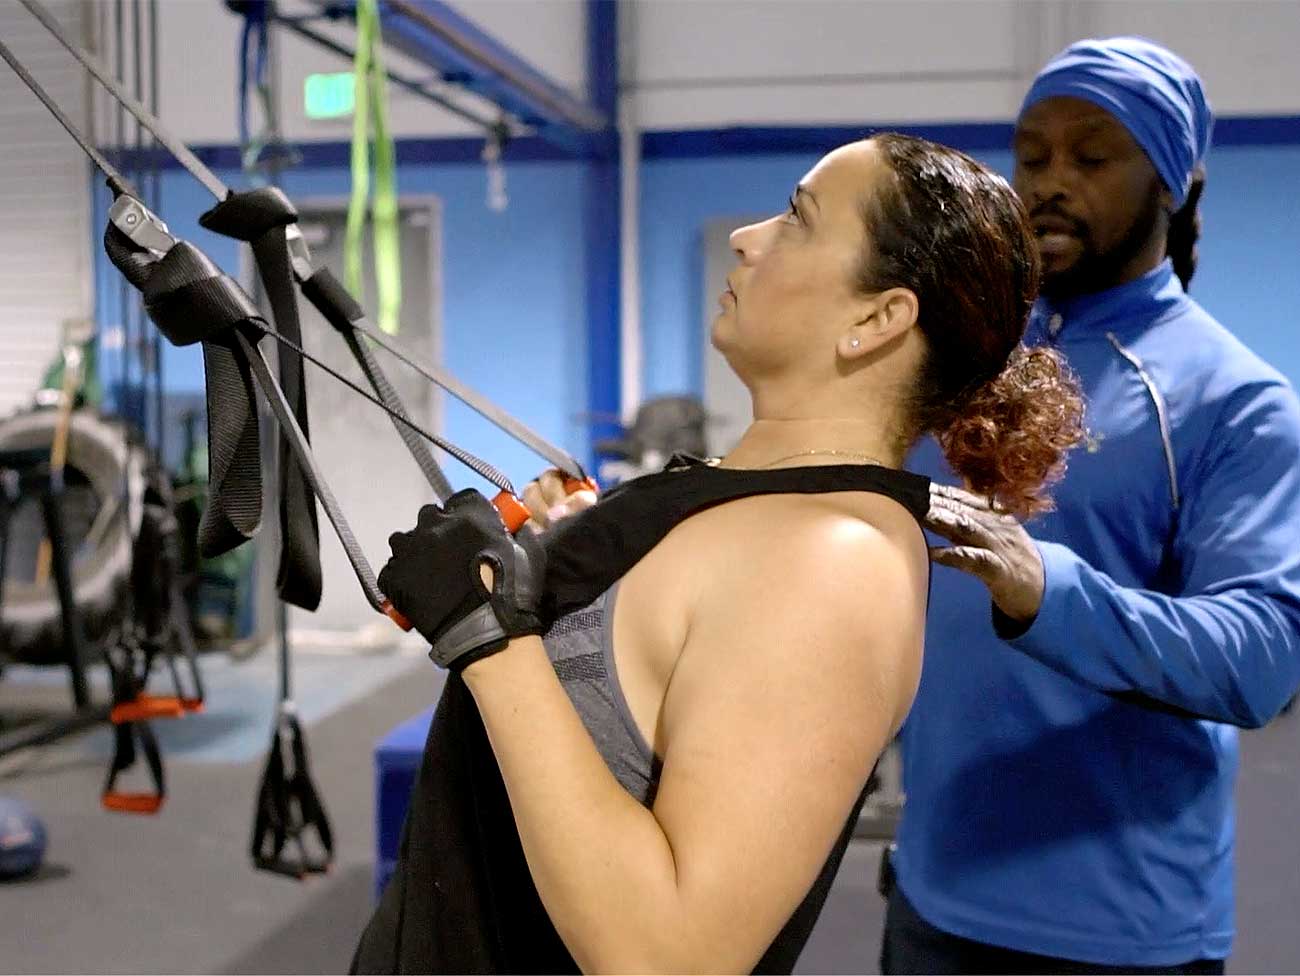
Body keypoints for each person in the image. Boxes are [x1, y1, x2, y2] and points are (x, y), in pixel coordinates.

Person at [350, 133, 1083, 974]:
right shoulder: (746, 500)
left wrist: (490, 641)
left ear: (876, 320)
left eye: (798, 220)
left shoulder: (832, 564)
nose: (749, 237)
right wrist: (580, 554)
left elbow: (671, 957)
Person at [885, 37, 1300, 974]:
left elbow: (1262, 660)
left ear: (1172, 182)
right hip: (931, 892)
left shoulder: (1232, 400)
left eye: (1092, 156)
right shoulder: (968, 359)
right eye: (1032, 157)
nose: (1049, 183)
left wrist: (1042, 587)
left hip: (1116, 930)